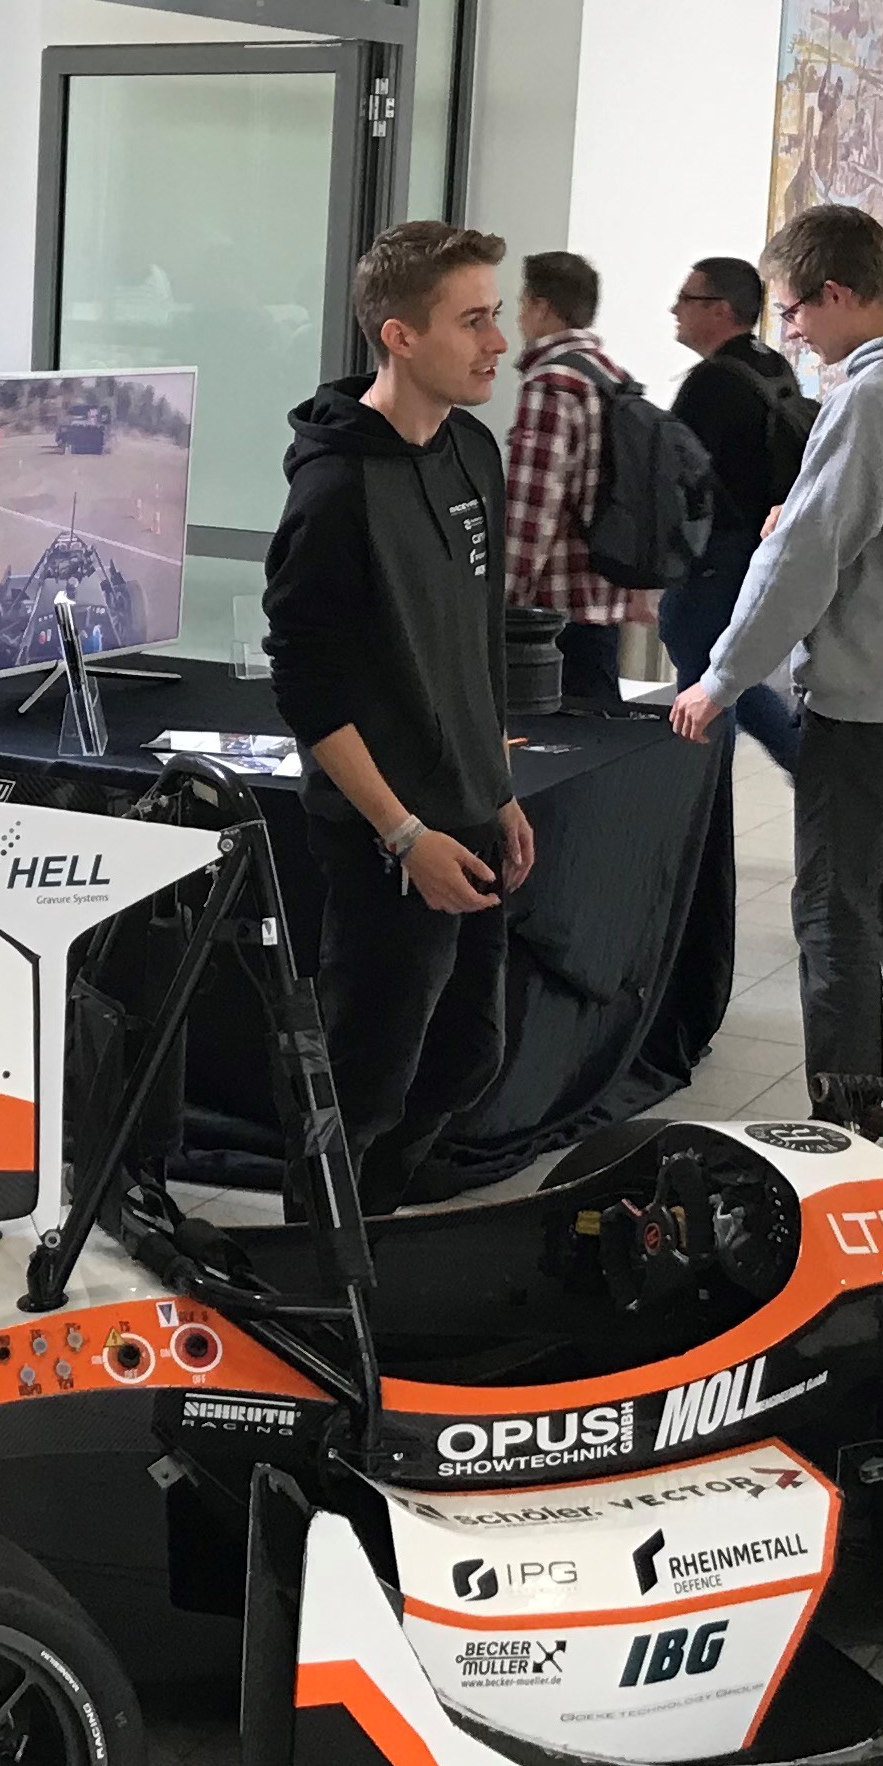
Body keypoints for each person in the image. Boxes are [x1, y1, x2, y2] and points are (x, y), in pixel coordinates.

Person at [671, 205, 883, 1101]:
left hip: (879, 699)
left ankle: (845, 1129)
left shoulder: (871, 395)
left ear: (839, 294)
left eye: (796, 311)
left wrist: (721, 678)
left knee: (832, 914)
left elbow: (803, 561)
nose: (794, 332)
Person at [265, 222, 538, 1211]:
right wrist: (404, 832)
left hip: (469, 814)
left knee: (469, 1060)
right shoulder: (336, 490)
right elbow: (307, 688)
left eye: (495, 316)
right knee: (360, 1083)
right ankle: (319, 1273)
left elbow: (475, 639)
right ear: (401, 337)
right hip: (389, 835)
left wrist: (497, 791)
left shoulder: (473, 451)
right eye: (473, 321)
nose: (496, 343)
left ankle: (372, 1234)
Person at [661, 254, 807, 768]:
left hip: (713, 560)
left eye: (687, 298)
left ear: (720, 309)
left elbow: (674, 482)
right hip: (756, 550)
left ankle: (702, 827)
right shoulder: (769, 364)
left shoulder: (711, 384)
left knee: (706, 687)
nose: (674, 309)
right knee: (722, 678)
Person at [500, 249, 639, 699]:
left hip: (554, 606)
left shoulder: (551, 382)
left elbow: (531, 509)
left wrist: (505, 598)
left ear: (540, 306)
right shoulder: (610, 375)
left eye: (521, 302)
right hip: (603, 591)